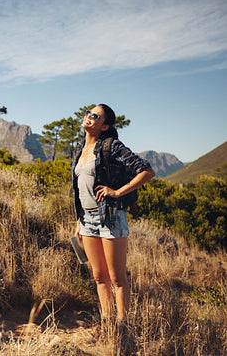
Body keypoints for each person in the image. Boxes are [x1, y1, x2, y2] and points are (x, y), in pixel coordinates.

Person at [71, 104, 155, 353]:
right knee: (99, 278)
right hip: (87, 221)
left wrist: (117, 192)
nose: (89, 117)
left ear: (105, 126)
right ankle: (106, 326)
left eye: (95, 116)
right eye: (88, 113)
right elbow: (79, 189)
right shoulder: (79, 149)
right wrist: (79, 219)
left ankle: (122, 329)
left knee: (117, 279)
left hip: (111, 218)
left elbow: (147, 171)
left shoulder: (111, 147)